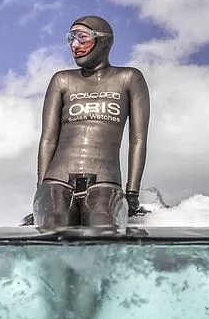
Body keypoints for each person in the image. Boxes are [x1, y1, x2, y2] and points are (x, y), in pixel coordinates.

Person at [30, 15, 150, 229]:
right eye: (71, 39)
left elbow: (138, 140)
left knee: (101, 229)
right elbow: (48, 140)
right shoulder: (62, 80)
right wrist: (41, 192)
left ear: (103, 41)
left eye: (82, 38)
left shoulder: (129, 78)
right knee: (54, 227)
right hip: (56, 181)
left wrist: (132, 194)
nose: (75, 45)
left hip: (105, 183)